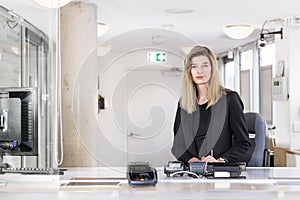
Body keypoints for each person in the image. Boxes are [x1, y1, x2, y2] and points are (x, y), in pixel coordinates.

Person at [171, 45, 252, 165]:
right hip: (193, 172)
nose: (199, 71)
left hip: (219, 171)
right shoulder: (184, 103)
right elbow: (178, 146)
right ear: (189, 71)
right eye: (194, 67)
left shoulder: (230, 99)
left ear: (212, 69)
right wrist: (193, 161)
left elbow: (243, 143)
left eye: (205, 65)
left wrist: (220, 160)